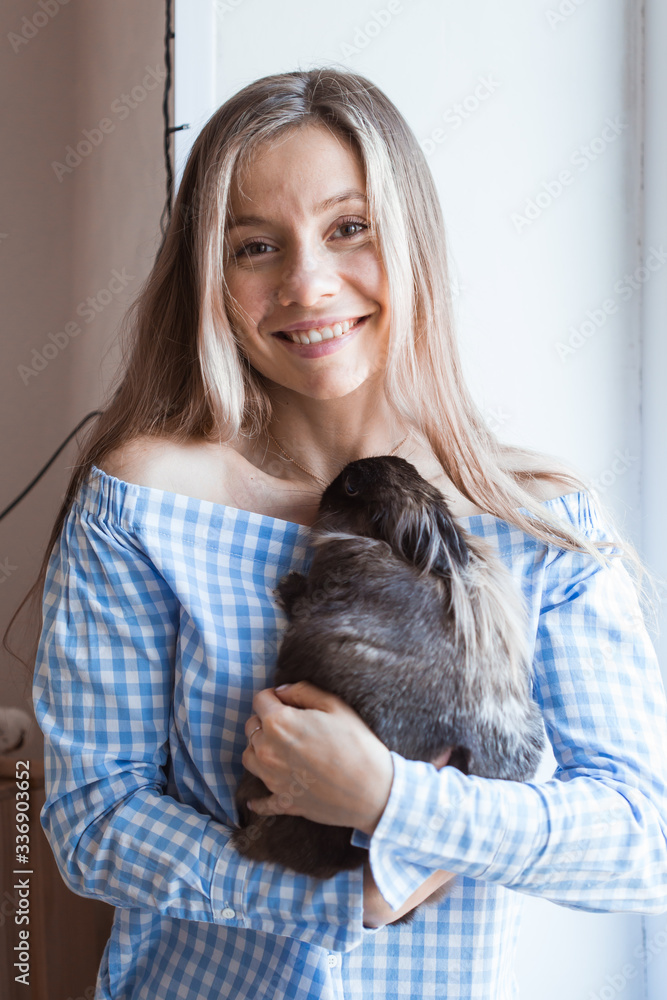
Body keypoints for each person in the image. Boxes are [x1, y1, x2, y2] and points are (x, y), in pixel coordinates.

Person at [9, 67, 667, 999]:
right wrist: (343, 899)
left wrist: (393, 802)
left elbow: (641, 841)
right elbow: (92, 821)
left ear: (410, 242)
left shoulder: (536, 522)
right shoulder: (141, 508)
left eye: (347, 229)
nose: (307, 285)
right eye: (254, 247)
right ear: (212, 274)